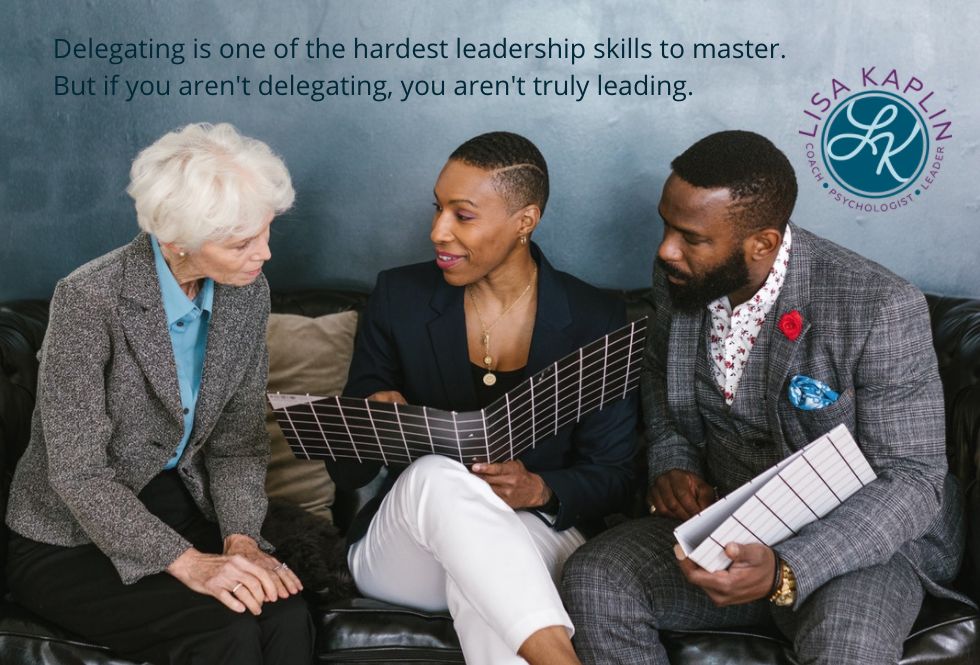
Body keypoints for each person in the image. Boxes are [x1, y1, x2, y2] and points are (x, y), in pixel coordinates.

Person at [561, 130, 968, 665]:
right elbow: (661, 381)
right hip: (728, 533)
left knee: (847, 647)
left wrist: (785, 570)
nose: (665, 249)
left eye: (690, 236)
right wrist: (673, 463)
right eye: (666, 224)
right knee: (595, 580)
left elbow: (913, 480)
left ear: (763, 244)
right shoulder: (680, 279)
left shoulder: (880, 306)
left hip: (857, 546)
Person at [5, 123, 314, 665]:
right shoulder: (88, 298)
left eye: (267, 232)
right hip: (68, 531)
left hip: (177, 504)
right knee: (227, 631)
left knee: (286, 611)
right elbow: (77, 472)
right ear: (177, 240)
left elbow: (238, 445)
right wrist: (190, 562)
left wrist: (241, 537)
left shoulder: (247, 295)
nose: (263, 254)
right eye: (242, 242)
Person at [326, 131, 637, 665]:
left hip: (535, 535)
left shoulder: (595, 318)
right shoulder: (399, 297)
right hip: (407, 550)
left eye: (462, 215)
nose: (437, 231)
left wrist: (539, 489)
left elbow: (618, 473)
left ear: (524, 221)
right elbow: (347, 476)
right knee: (435, 478)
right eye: (437, 208)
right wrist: (369, 422)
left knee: (485, 585)